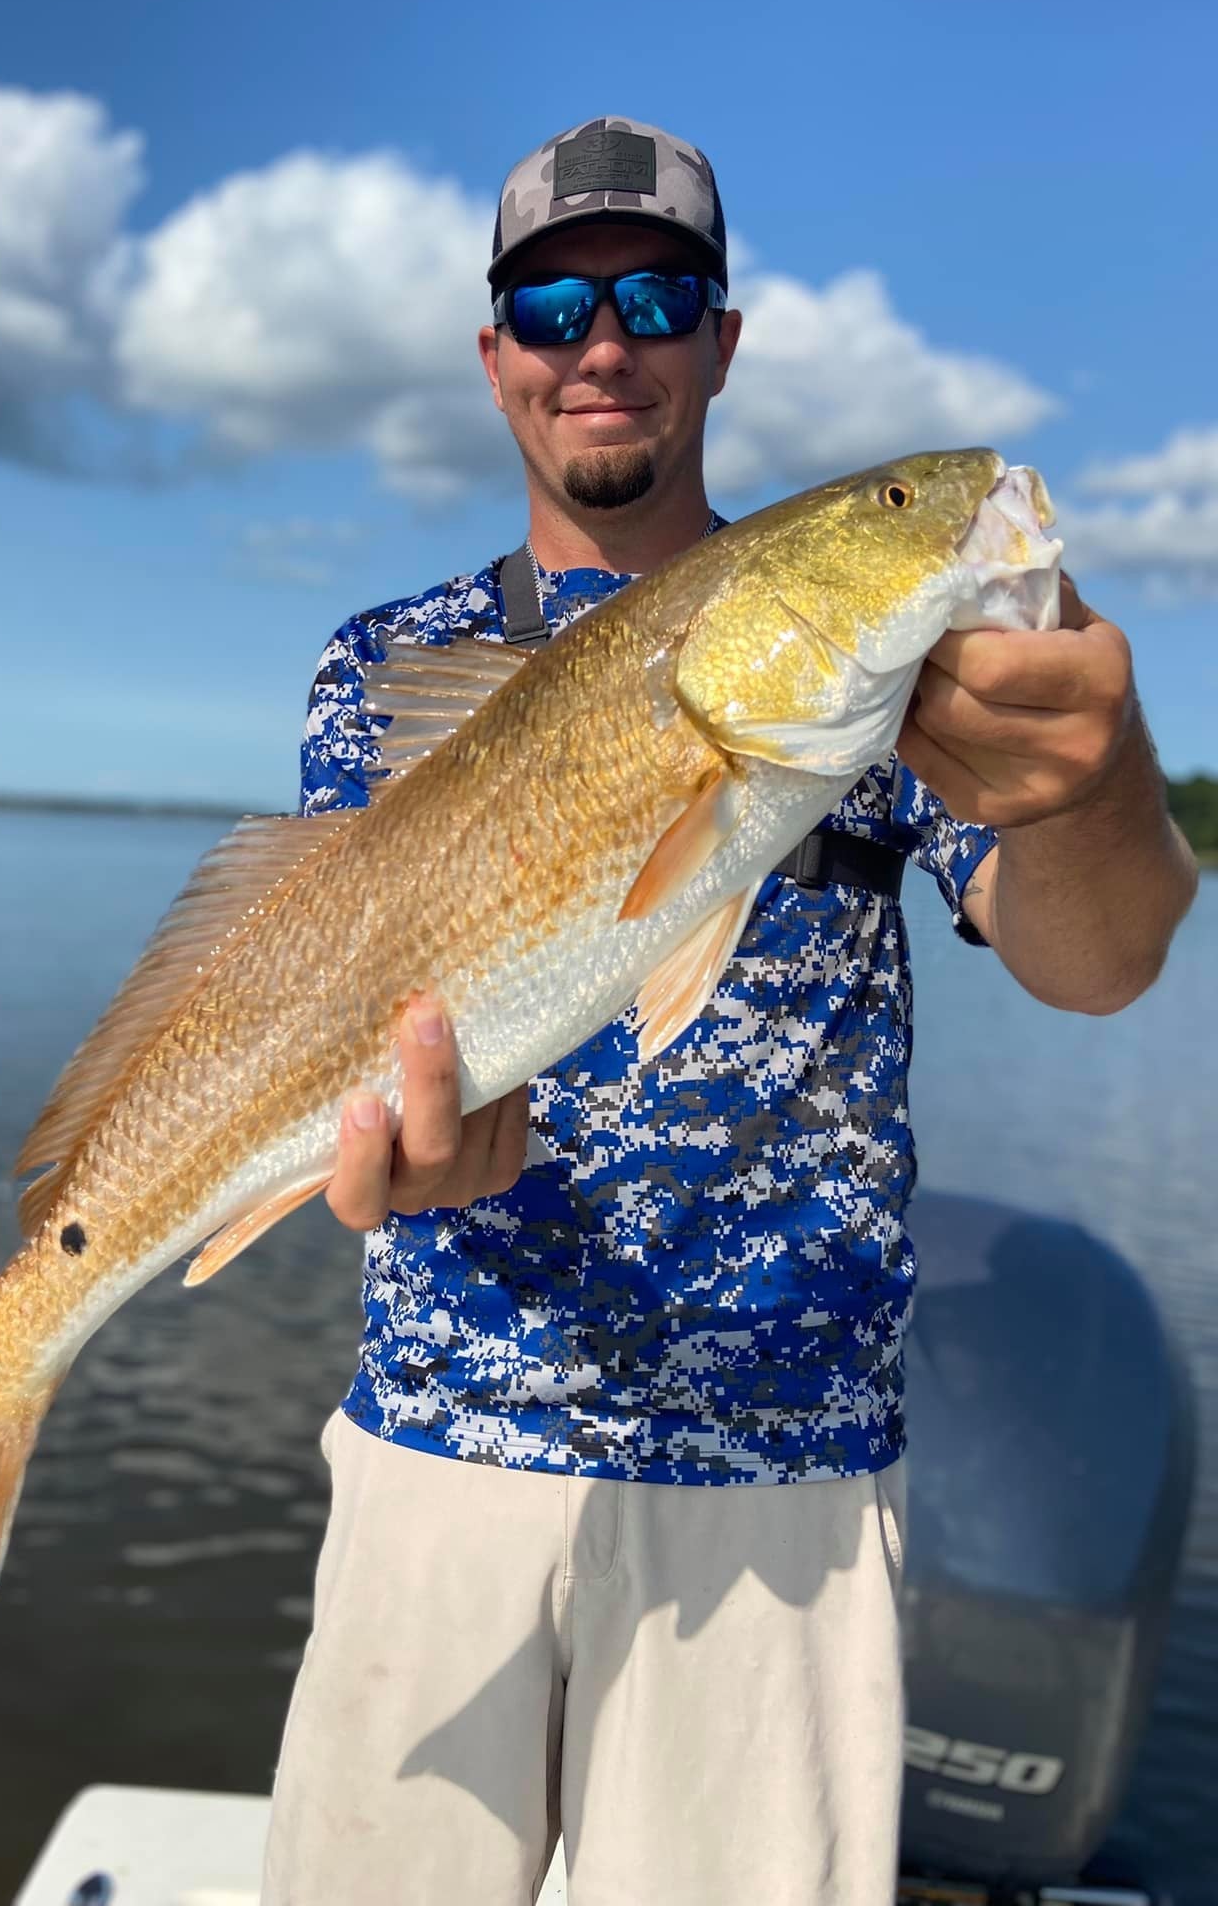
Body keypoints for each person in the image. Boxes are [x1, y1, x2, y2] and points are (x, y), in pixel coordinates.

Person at [260, 117, 1197, 1906]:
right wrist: (379, 1156)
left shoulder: (892, 673)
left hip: (782, 1477)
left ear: (720, 340)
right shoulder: (386, 668)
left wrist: (1093, 771)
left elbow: (1108, 964)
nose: (598, 342)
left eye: (654, 295)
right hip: (437, 1444)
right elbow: (329, 1002)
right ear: (496, 355)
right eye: (549, 304)